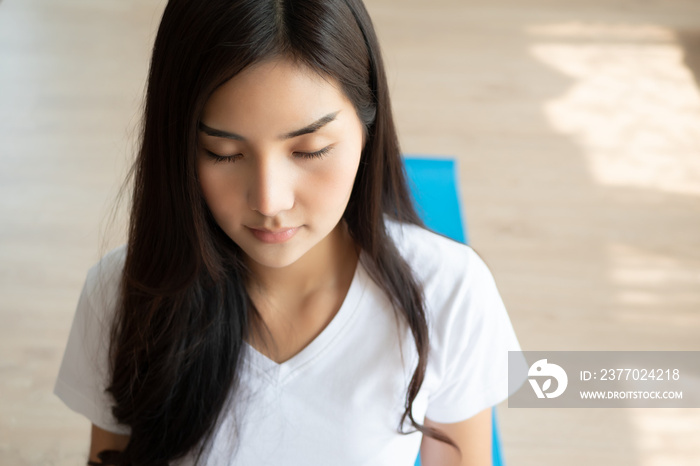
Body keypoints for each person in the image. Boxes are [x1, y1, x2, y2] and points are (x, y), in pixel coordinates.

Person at [53, 0, 525, 465]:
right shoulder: (123, 293)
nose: (269, 201)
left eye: (310, 149)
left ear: (368, 126)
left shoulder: (448, 290)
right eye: (222, 152)